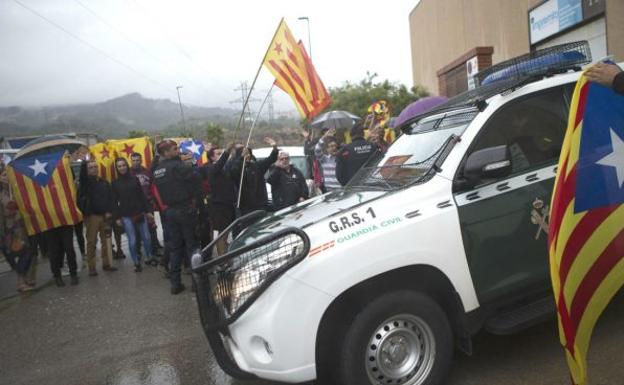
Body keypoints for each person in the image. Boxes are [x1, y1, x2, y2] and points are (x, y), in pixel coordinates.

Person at [152, 140, 200, 294]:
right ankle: (196, 282)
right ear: (165, 153)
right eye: (175, 149)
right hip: (184, 209)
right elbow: (195, 178)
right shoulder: (177, 166)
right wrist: (191, 163)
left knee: (175, 248)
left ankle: (175, 284)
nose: (178, 150)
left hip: (169, 212)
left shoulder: (157, 170)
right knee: (192, 246)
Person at [112, 157, 153, 272]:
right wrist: (117, 218)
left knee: (147, 238)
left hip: (140, 212)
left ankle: (149, 257)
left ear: (127, 165)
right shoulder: (115, 183)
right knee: (133, 240)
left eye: (123, 165)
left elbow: (142, 196)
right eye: (119, 166)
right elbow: (114, 202)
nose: (122, 168)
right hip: (126, 216)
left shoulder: (135, 179)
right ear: (117, 168)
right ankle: (136, 262)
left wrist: (148, 211)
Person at [78, 159, 117, 276]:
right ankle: (92, 267)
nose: (94, 169)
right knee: (91, 242)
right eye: (91, 167)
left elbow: (111, 198)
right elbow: (79, 202)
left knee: (106, 242)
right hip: (92, 217)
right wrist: (88, 213)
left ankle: (107, 263)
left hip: (106, 216)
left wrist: (110, 211)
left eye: (95, 167)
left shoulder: (104, 182)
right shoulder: (83, 185)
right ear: (86, 170)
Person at [0, 163, 35, 291]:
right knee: (11, 255)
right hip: (6, 231)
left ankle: (22, 279)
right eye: (3, 175)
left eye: (7, 175)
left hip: (19, 228)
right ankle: (21, 278)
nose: (5, 177)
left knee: (26, 252)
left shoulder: (15, 190)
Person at [203, 143, 237, 256]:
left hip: (228, 204)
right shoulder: (212, 169)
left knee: (227, 233)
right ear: (212, 157)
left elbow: (230, 163)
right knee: (222, 234)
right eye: (218, 154)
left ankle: (225, 255)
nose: (221, 155)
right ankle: (222, 260)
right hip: (219, 206)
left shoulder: (225, 169)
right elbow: (222, 162)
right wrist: (226, 151)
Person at [230, 137, 278, 215]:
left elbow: (270, 159)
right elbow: (233, 171)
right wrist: (242, 158)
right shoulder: (237, 169)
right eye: (244, 153)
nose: (247, 155)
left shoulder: (257, 166)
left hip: (260, 205)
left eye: (248, 153)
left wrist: (274, 147)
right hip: (245, 207)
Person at [130, 152, 162, 264]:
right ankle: (139, 253)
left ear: (141, 160)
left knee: (152, 228)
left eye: (137, 160)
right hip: (135, 205)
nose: (135, 162)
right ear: (131, 161)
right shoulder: (128, 173)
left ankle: (154, 250)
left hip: (148, 203)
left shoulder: (146, 172)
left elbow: (153, 186)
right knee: (136, 230)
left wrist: (153, 200)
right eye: (133, 160)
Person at [313, 128, 341, 192]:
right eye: (331, 146)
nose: (333, 148)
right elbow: (317, 149)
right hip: (329, 189)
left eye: (334, 146)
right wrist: (324, 137)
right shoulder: (324, 159)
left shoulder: (341, 158)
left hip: (341, 189)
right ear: (327, 149)